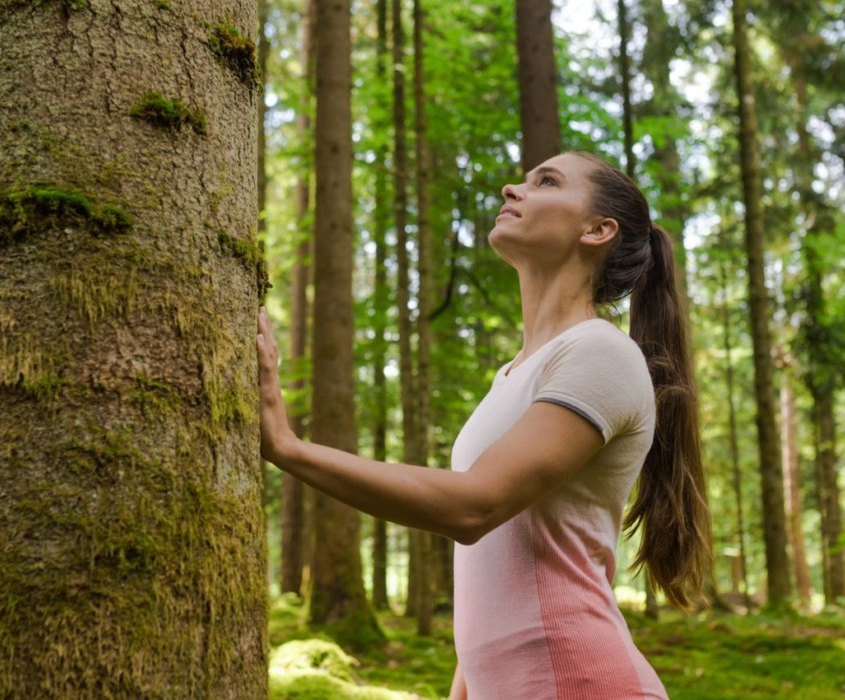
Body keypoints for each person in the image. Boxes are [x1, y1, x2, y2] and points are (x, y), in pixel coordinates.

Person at [256, 151, 711, 699]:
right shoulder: (515, 374)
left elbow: (475, 507)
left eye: (545, 181)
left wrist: (287, 446)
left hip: (580, 682)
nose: (511, 189)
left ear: (598, 230)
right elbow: (496, 568)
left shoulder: (601, 354)